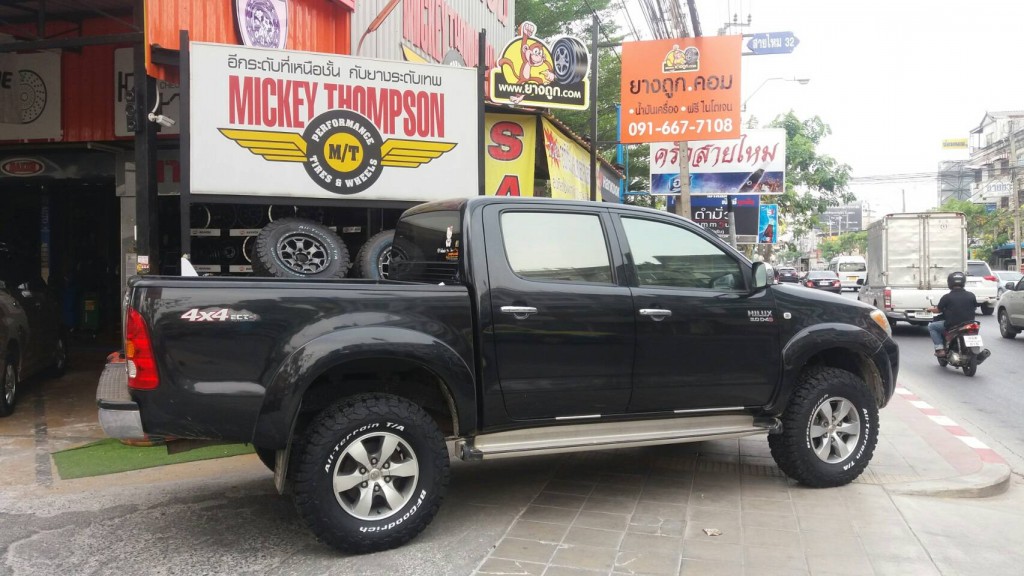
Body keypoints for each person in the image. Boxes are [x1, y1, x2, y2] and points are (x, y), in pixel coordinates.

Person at [927, 271, 978, 357]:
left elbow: (938, 310)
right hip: (969, 324)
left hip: (952, 325)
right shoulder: (971, 295)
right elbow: (974, 307)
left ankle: (940, 349)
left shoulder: (947, 297)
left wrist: (929, 309)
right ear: (963, 282)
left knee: (932, 327)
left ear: (950, 283)